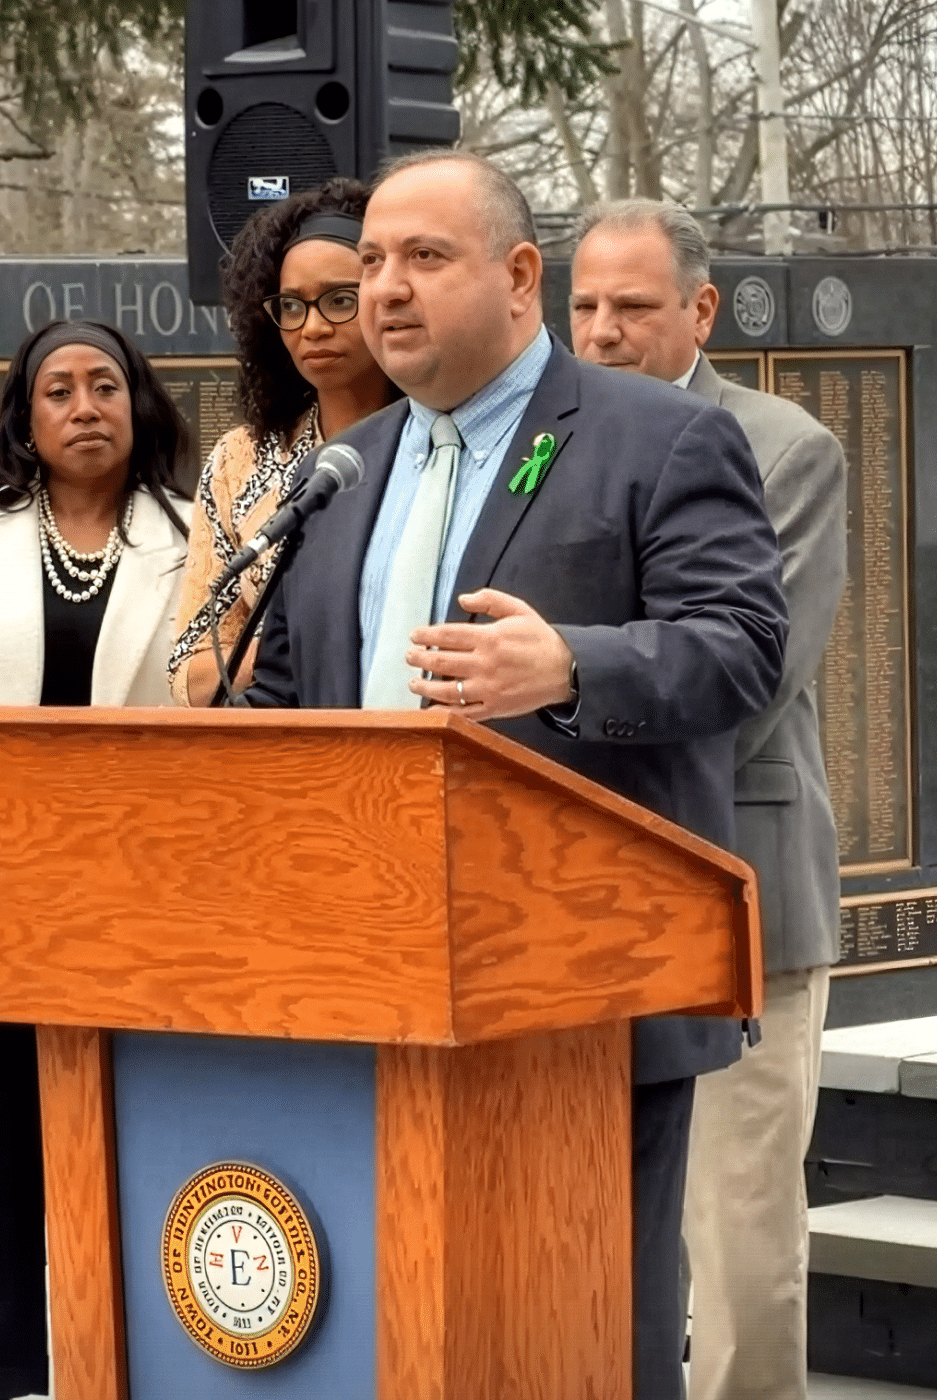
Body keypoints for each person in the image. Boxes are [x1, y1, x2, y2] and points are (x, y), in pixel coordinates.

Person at [236, 150, 788, 1397]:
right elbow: (285, 706)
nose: (384, 289)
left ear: (520, 275)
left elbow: (743, 648)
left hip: (579, 992)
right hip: (362, 981)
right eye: (371, 262)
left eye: (424, 258)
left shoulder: (659, 437)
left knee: (576, 1344)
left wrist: (572, 664)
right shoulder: (345, 471)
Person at [570, 199, 846, 1400]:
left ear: (699, 310)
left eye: (632, 306)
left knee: (735, 1237)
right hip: (571, 911)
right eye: (583, 305)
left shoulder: (783, 449)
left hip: (737, 897)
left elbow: (745, 678)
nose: (602, 331)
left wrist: (564, 698)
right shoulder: (544, 448)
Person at [0, 318, 193, 1400]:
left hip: (132, 891)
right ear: (26, 418)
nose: (83, 407)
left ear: (137, 403)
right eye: (58, 390)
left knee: (125, 1132)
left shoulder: (192, 535)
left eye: (104, 385)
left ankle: (136, 1360)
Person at [169, 177, 399, 705]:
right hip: (282, 734)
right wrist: (293, 649)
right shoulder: (241, 459)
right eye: (292, 306)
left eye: (339, 300)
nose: (312, 327)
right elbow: (190, 673)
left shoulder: (442, 441)